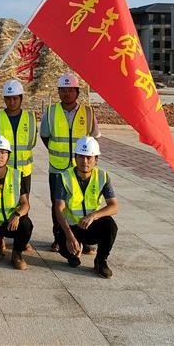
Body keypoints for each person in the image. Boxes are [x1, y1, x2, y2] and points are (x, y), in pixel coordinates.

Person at [40, 73, 101, 253]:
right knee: (58, 204)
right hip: (57, 167)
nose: (66, 94)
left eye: (70, 90)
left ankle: (86, 239)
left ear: (77, 92)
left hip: (81, 169)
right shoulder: (51, 112)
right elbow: (45, 136)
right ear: (58, 92)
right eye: (63, 90)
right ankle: (59, 238)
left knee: (82, 203)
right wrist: (57, 150)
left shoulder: (88, 112)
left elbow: (94, 138)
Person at [54, 136, 118, 279]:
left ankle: (101, 261)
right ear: (75, 158)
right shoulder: (64, 177)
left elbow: (114, 206)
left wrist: (93, 216)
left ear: (96, 159)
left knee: (110, 225)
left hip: (91, 225)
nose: (85, 161)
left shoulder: (102, 177)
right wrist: (69, 236)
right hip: (72, 227)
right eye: (81, 157)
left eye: (89, 157)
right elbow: (59, 208)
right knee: (66, 250)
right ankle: (75, 251)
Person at [0, 135, 33, 270]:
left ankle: (17, 254)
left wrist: (17, 215)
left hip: (12, 222)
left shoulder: (17, 175)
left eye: (3, 152)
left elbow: (25, 204)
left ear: (8, 155)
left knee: (26, 224)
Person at [0, 79, 37, 193]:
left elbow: (32, 142)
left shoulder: (30, 118)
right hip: (2, 172)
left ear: (21, 98)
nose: (12, 102)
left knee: (23, 202)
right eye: (8, 99)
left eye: (15, 98)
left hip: (24, 172)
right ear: (4, 99)